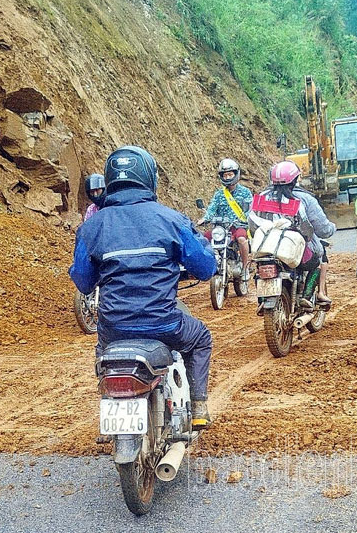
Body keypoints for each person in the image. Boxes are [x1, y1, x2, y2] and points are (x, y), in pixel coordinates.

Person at [70, 146, 217, 428]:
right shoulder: (171, 219)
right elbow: (205, 268)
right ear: (149, 178)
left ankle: (110, 401)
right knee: (200, 339)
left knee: (103, 355)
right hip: (165, 324)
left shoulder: (92, 226)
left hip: (113, 328)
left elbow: (84, 281)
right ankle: (198, 407)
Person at [249, 161, 336, 307]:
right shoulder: (304, 199)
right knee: (318, 260)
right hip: (294, 251)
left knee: (260, 270)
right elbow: (315, 229)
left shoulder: (260, 198)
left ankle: (262, 300)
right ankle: (308, 296)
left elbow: (252, 224)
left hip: (266, 249)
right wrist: (331, 229)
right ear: (295, 179)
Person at [200, 158, 252, 278]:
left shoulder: (245, 192)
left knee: (242, 240)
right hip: (220, 229)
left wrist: (246, 219)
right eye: (225, 175)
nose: (228, 177)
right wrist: (205, 218)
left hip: (237, 226)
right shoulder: (219, 194)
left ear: (236, 174)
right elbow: (212, 208)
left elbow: (249, 209)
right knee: (203, 239)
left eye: (230, 174)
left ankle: (244, 268)